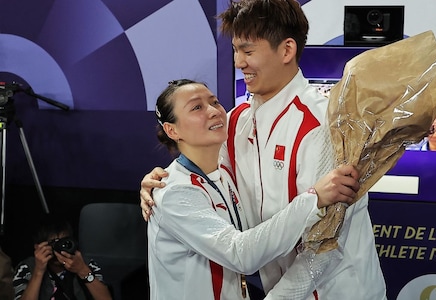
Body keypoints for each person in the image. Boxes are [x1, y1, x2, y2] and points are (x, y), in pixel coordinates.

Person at [140, 0, 387, 299]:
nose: (238, 62)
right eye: (235, 50)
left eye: (248, 51)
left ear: (286, 50)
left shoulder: (324, 124)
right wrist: (158, 182)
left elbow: (326, 244)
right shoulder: (238, 120)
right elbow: (199, 173)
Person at [147, 78, 360, 299]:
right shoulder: (175, 192)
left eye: (215, 102)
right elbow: (241, 254)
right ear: (172, 130)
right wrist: (313, 199)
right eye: (197, 107)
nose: (213, 111)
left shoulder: (224, 173)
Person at [12, 214, 112, 300]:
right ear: (37, 247)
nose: (59, 249)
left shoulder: (84, 263)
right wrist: (38, 271)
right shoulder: (27, 267)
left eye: (64, 242)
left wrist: (82, 271)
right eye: (53, 243)